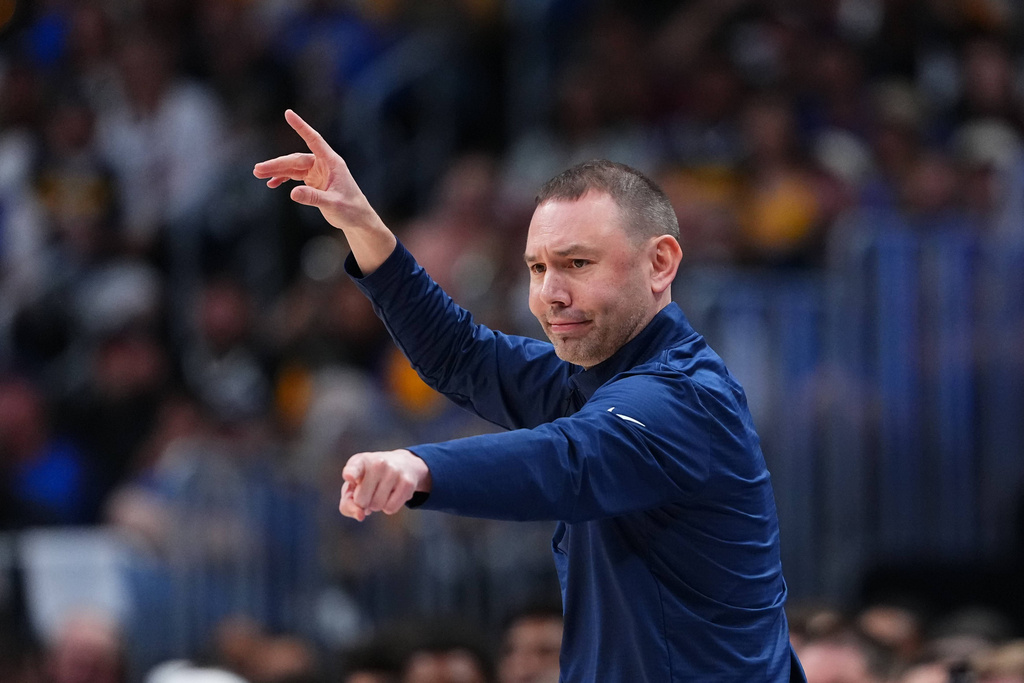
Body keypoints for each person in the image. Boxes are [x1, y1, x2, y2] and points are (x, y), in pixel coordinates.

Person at [254, 109, 806, 682]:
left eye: (577, 264)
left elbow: (567, 460)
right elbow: (461, 355)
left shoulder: (685, 400)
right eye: (537, 268)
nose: (549, 294)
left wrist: (418, 465)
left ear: (660, 262)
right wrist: (363, 226)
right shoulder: (596, 377)